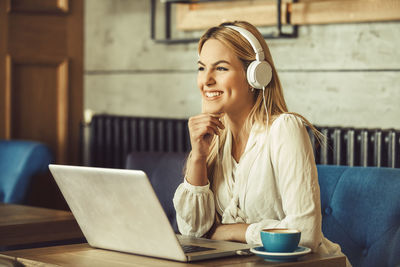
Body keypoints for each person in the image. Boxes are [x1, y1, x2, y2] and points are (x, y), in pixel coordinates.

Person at [173, 20, 348, 263]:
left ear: (256, 75)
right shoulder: (215, 139)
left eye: (221, 68)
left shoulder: (284, 128)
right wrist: (198, 157)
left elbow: (305, 234)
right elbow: (193, 232)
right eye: (202, 68)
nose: (207, 80)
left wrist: (231, 231)